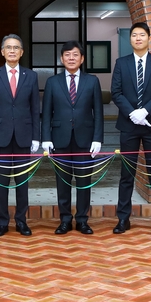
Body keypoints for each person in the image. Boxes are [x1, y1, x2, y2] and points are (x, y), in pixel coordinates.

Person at [111, 21, 151, 234]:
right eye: (134, 35)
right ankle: (123, 219)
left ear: (148, 38)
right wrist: (133, 114)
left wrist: (145, 112)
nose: (138, 38)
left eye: (142, 35)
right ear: (130, 39)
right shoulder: (121, 63)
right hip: (128, 126)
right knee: (127, 174)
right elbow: (116, 92)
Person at [41, 40, 103, 235]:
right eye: (67, 55)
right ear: (61, 58)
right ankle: (65, 220)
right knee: (63, 182)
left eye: (75, 54)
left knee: (84, 182)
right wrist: (46, 138)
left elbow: (99, 113)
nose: (71, 58)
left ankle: (83, 220)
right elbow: (46, 112)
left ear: (82, 58)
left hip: (85, 139)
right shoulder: (52, 82)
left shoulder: (92, 81)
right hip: (60, 140)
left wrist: (97, 139)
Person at [0, 33, 41, 237]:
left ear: (22, 52)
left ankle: (21, 221)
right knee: (2, 181)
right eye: (8, 47)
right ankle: (2, 221)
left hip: (25, 136)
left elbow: (35, 108)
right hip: (1, 135)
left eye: (16, 47)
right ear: (2, 52)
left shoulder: (31, 76)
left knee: (22, 182)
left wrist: (36, 137)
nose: (12, 51)